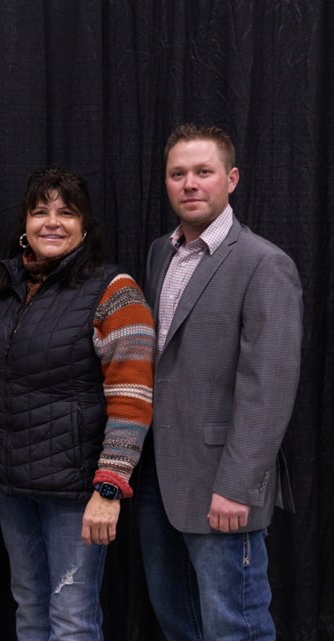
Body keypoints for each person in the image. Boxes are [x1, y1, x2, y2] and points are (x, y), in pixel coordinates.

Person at [0, 166, 155, 640]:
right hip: (11, 485)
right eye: (40, 211)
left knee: (71, 619)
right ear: (24, 224)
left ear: (84, 225)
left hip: (77, 493)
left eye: (66, 213)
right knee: (29, 609)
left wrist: (109, 489)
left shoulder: (116, 291)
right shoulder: (7, 287)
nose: (52, 222)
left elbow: (132, 398)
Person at [136, 123, 302, 640]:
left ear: (230, 179)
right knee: (177, 620)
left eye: (203, 172)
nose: (190, 184)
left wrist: (237, 486)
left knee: (236, 626)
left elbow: (268, 387)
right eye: (177, 173)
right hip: (159, 480)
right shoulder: (160, 254)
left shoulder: (264, 264)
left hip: (221, 486)